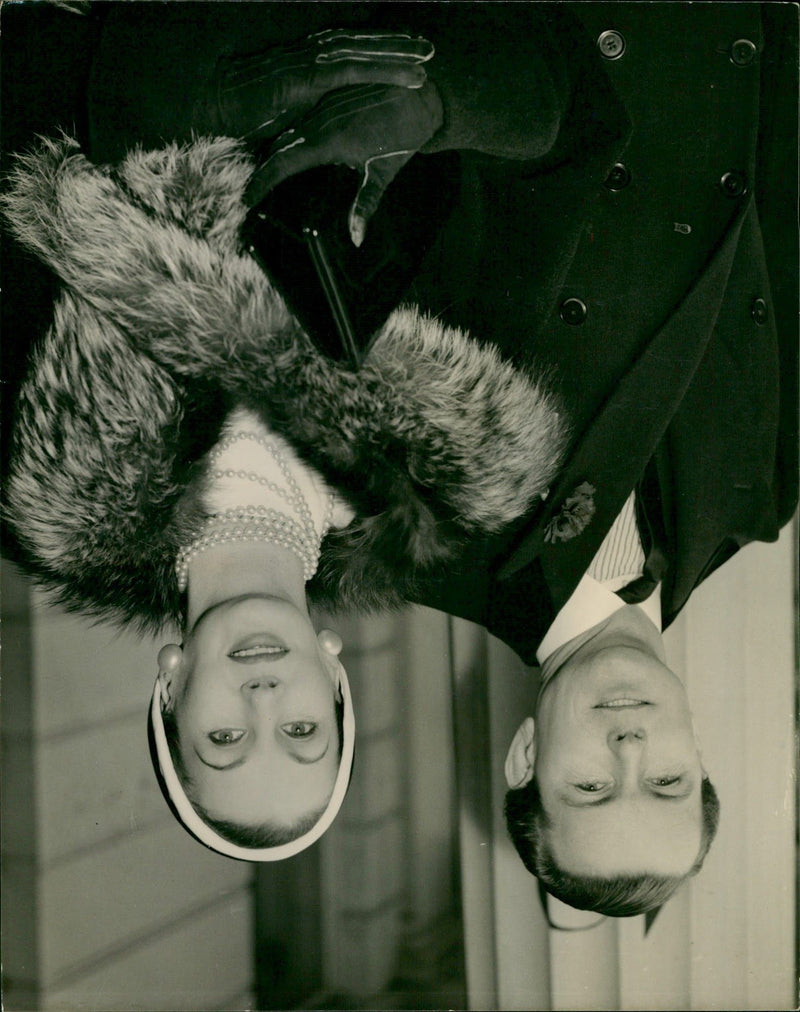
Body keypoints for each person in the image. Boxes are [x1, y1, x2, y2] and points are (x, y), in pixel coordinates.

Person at [3, 3, 796, 907]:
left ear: (170, 693)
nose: (264, 698)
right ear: (335, 677)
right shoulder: (457, 461)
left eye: (223, 738)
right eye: (302, 729)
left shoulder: (55, 480)